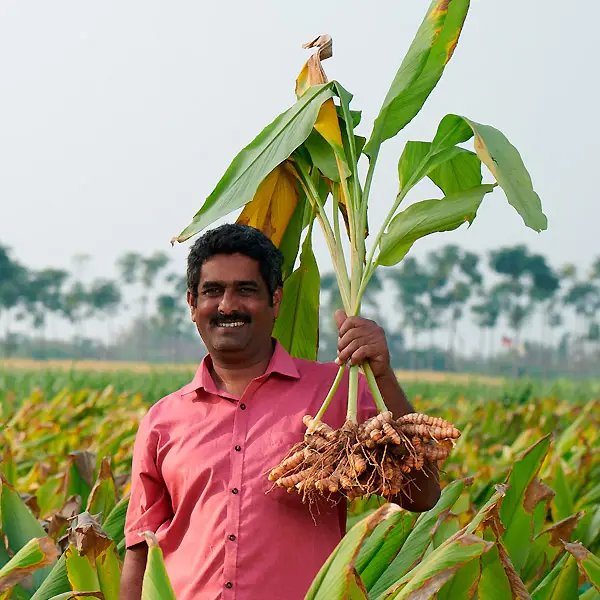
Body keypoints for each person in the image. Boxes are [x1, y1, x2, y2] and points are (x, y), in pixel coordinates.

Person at [120, 224, 440, 600]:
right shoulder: (163, 420)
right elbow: (141, 550)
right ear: (192, 305)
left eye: (246, 289)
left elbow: (421, 496)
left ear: (275, 300)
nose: (227, 305)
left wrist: (381, 374)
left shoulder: (337, 394)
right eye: (212, 291)